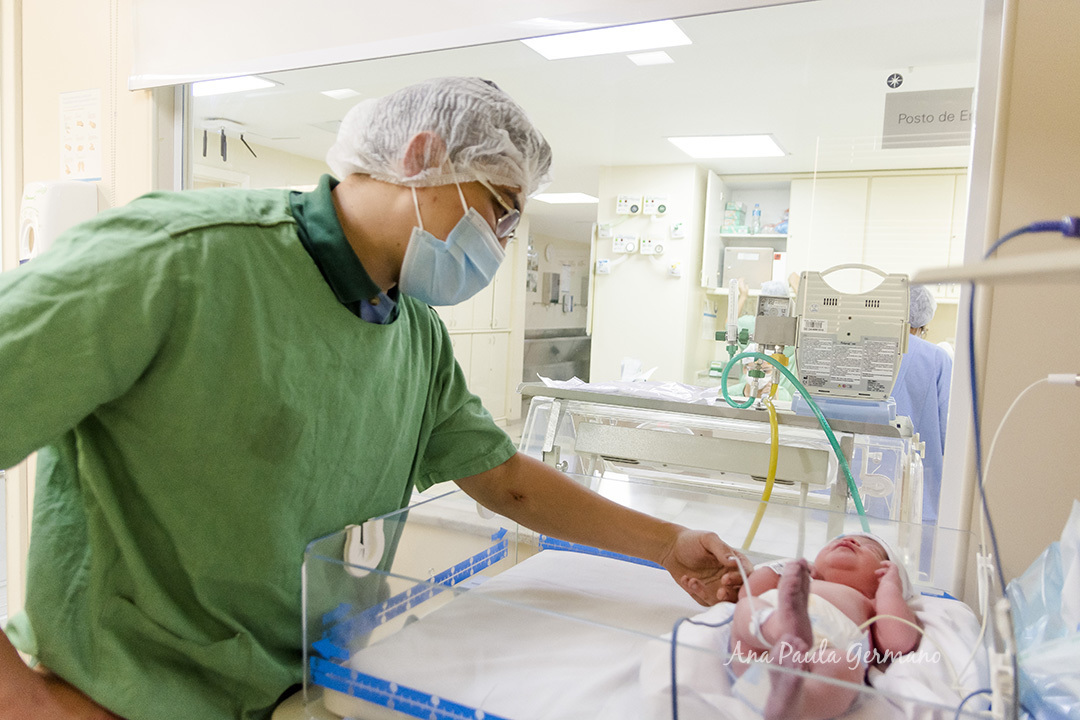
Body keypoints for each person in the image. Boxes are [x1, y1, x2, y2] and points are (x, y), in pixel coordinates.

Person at [0, 77, 748, 720]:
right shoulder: (177, 261)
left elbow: (505, 480)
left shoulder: (413, 333)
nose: (503, 241)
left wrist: (667, 547)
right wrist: (25, 704)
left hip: (300, 685)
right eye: (502, 210)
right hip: (119, 693)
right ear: (421, 156)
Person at [721, 533, 921, 720]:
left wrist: (889, 589)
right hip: (762, 646)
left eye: (871, 549)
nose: (850, 541)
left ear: (882, 576)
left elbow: (898, 641)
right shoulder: (796, 584)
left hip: (824, 656)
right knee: (747, 607)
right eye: (840, 539)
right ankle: (780, 626)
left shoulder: (870, 602)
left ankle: (795, 700)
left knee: (846, 666)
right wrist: (781, 569)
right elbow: (749, 592)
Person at [891, 284, 953, 524]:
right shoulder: (936, 358)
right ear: (919, 326)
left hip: (855, 488)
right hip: (916, 492)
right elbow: (946, 428)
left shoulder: (861, 346)